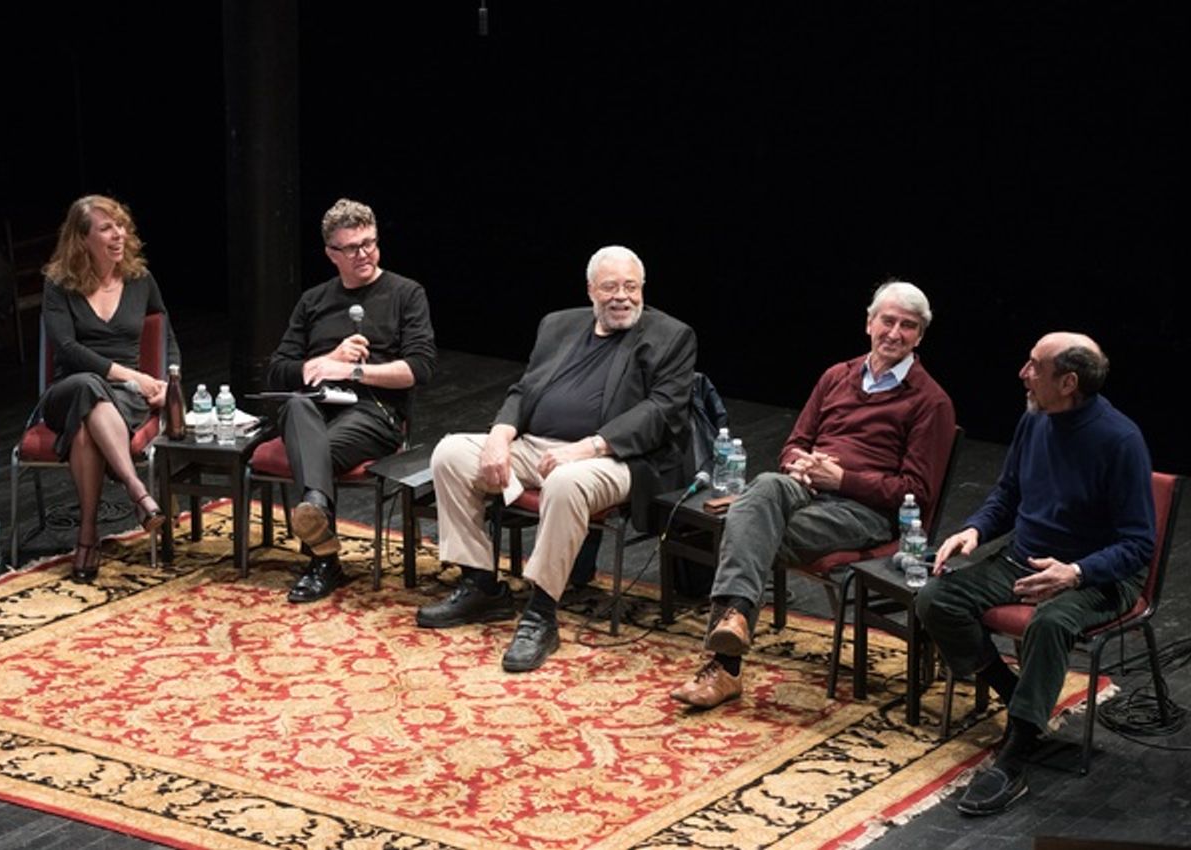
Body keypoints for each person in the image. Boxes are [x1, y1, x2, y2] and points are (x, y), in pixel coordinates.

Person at [671, 280, 955, 708]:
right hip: (805, 492)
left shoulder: (930, 402)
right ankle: (730, 632)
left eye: (908, 326)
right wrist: (799, 465)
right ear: (869, 323)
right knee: (766, 485)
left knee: (745, 522)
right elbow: (793, 443)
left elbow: (915, 492)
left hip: (864, 512)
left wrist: (842, 479)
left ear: (921, 335)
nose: (895, 333)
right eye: (888, 321)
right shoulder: (836, 376)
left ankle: (724, 662)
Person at [417, 245, 696, 672]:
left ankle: (541, 615)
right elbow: (524, 390)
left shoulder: (671, 336)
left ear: (643, 289)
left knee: (565, 482)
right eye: (610, 287)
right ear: (591, 291)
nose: (621, 296)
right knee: (452, 453)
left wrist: (587, 447)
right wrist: (499, 435)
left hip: (617, 459)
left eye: (631, 287)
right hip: (539, 446)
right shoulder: (558, 325)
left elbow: (662, 411)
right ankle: (480, 586)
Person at [916, 332, 1154, 816]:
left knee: (1049, 624)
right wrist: (976, 531)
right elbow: (1007, 495)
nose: (1023, 373)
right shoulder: (1035, 420)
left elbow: (1138, 544)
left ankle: (1015, 754)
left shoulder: (1120, 439)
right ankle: (1020, 700)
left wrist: (1078, 571)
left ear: (1068, 382)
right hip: (1025, 558)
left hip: (1100, 573)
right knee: (935, 599)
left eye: (1034, 367)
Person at [266, 198, 436, 603]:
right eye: (352, 248)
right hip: (315, 409)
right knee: (294, 405)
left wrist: (355, 372)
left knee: (311, 452)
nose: (363, 254)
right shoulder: (313, 301)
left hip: (374, 412)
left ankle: (321, 554)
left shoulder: (406, 293)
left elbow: (420, 368)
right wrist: (327, 360)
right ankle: (318, 518)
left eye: (370, 243)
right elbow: (278, 368)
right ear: (331, 254)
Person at [39, 195, 180, 583]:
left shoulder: (139, 280)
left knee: (86, 428)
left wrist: (171, 382)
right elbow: (66, 348)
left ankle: (87, 534)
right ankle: (136, 489)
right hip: (66, 391)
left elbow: (165, 333)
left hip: (121, 401)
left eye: (121, 225)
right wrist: (130, 375)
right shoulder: (58, 285)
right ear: (82, 239)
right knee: (87, 386)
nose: (118, 234)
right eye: (106, 228)